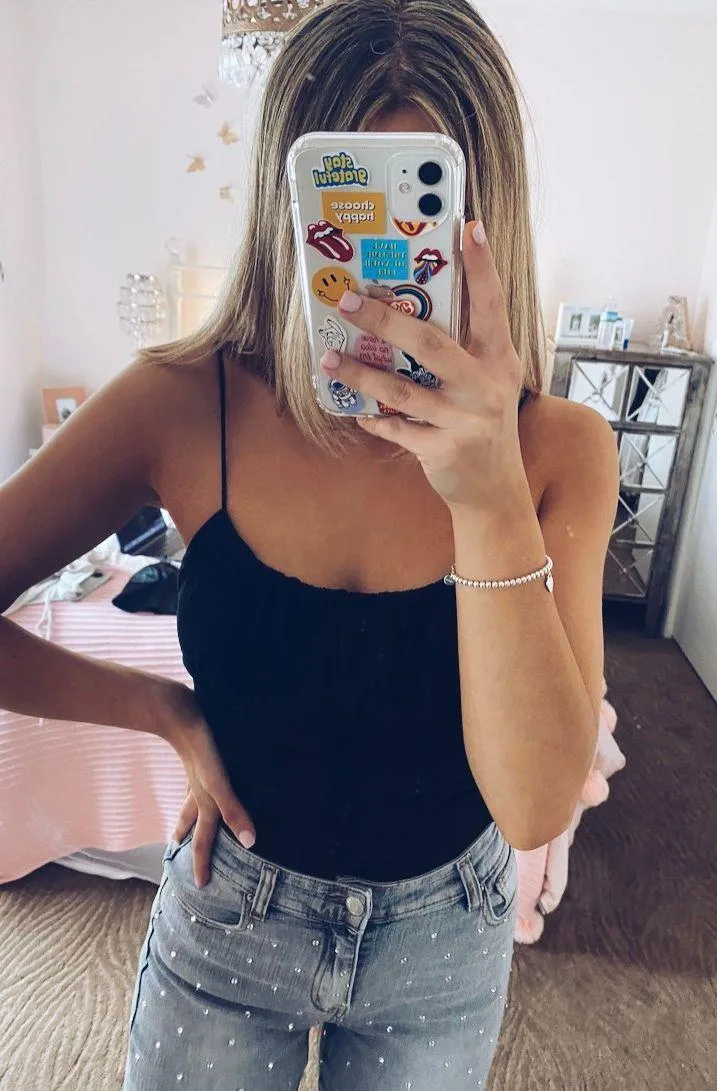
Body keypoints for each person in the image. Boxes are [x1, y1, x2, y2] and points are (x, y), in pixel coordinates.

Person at [0, 1, 619, 1087]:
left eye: (419, 215)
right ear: (285, 205)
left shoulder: (560, 447)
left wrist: (487, 497)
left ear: (484, 218)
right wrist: (163, 710)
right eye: (342, 205)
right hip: (231, 911)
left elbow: (534, 805)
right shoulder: (179, 403)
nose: (379, 271)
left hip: (446, 937)